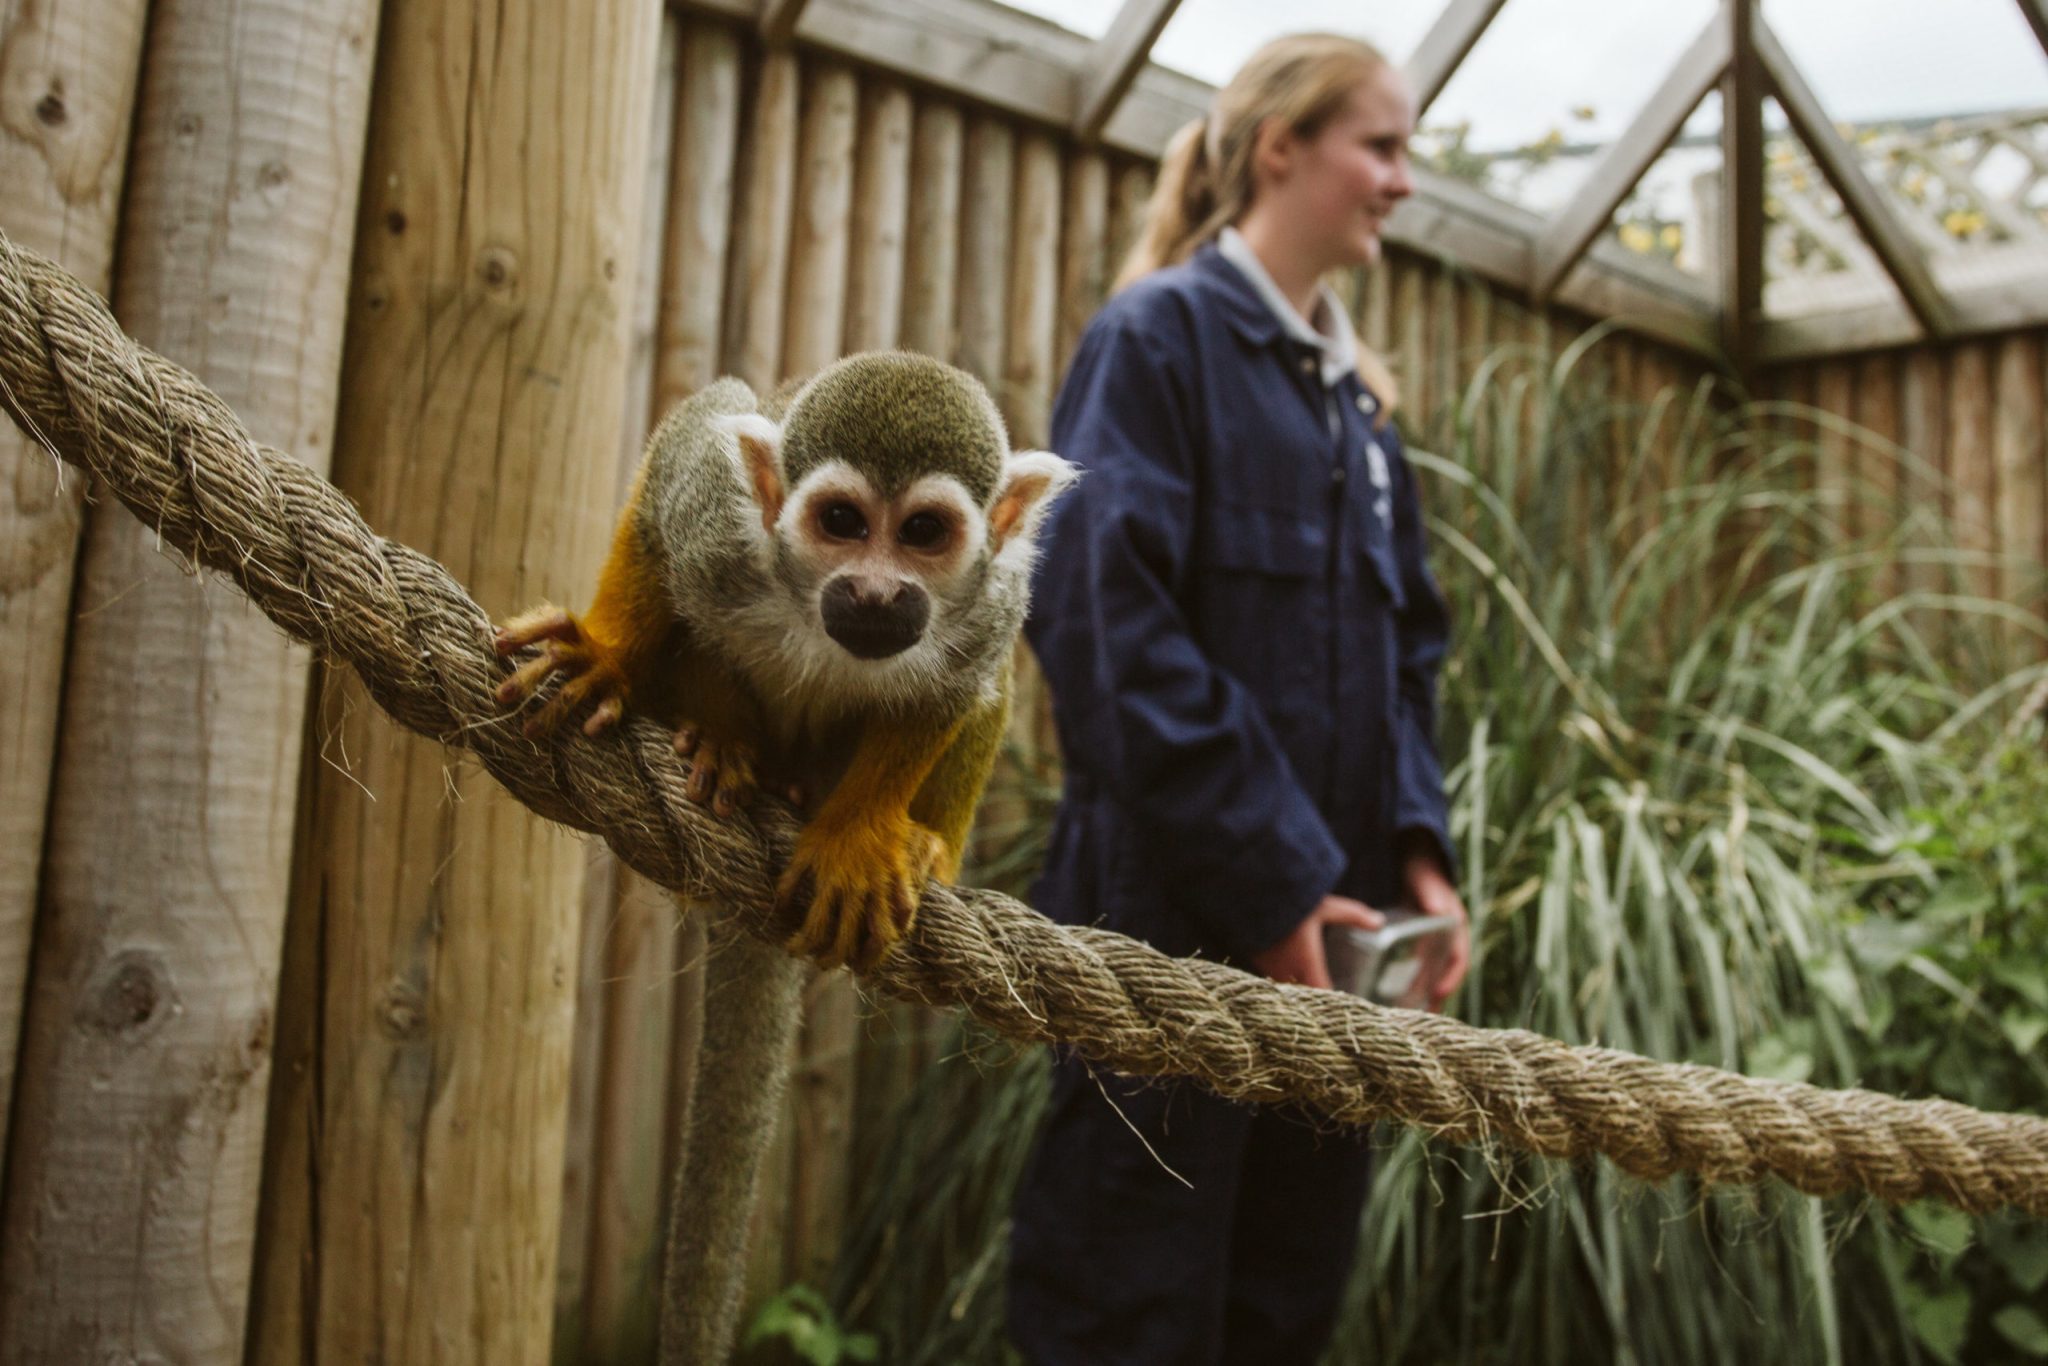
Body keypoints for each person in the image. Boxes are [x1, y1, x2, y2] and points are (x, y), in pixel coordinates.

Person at [1004, 32, 1471, 1366]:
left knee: (1284, 1305)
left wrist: (1420, 859)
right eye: (1380, 146)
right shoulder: (1156, 343)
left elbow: (1411, 658)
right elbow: (1104, 627)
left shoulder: (1361, 414)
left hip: (1343, 955)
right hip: (1164, 928)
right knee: (1126, 1307)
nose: (1403, 182)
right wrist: (1272, 884)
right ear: (1281, 148)